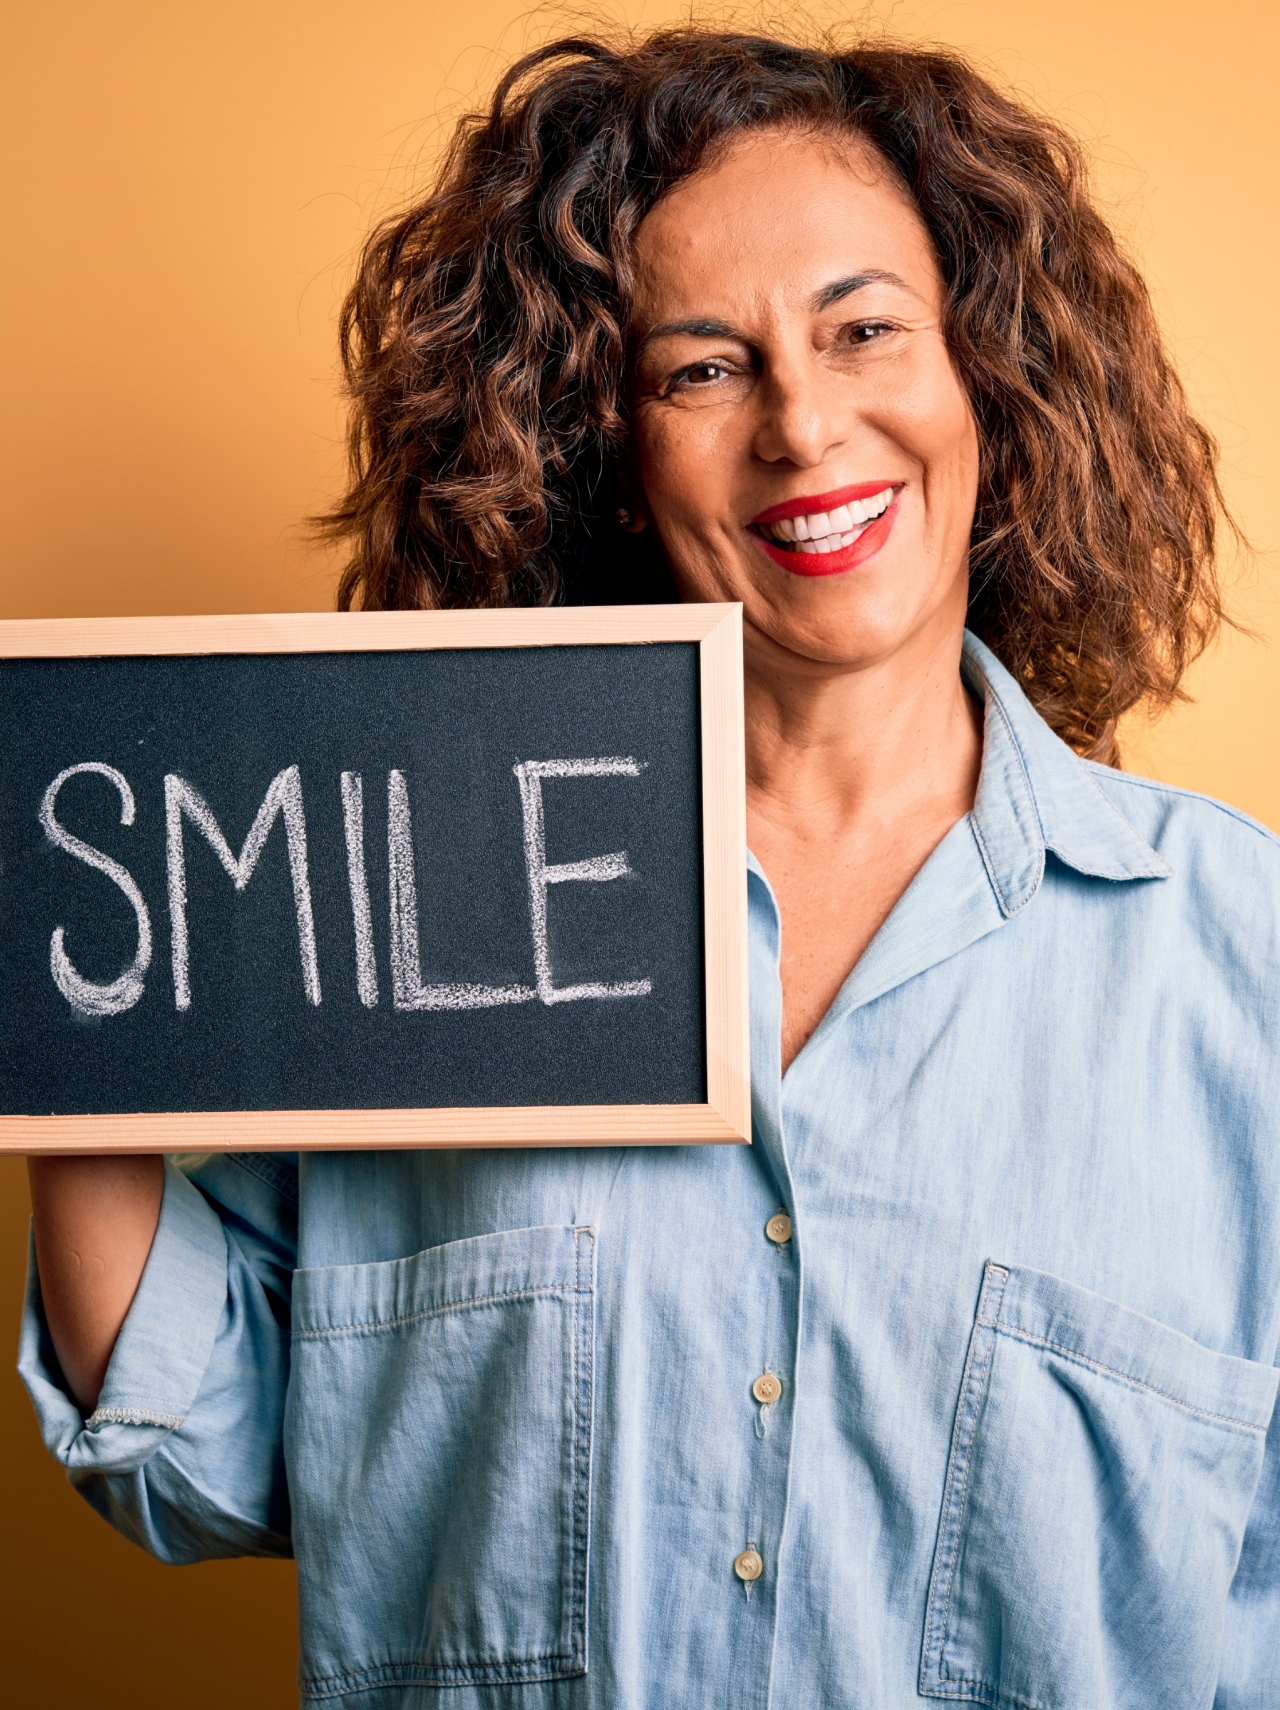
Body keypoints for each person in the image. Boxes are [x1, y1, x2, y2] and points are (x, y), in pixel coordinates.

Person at [19, 27, 1280, 1710]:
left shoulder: (1245, 962)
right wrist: (73, 1015)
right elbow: (211, 1455)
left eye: (865, 330)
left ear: (988, 373)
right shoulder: (404, 888)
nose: (806, 424)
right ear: (604, 447)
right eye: (703, 369)